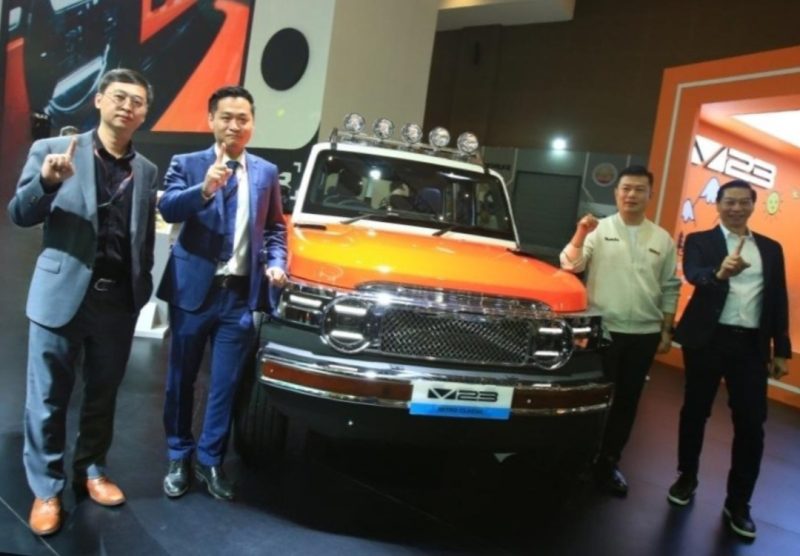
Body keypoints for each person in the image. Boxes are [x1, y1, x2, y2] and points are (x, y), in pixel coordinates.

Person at [7, 68, 157, 536]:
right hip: (61, 295)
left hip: (117, 301)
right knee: (47, 398)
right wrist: (47, 182)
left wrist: (141, 286)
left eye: (137, 101)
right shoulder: (53, 150)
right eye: (119, 97)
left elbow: (142, 237)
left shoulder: (146, 171)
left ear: (144, 114)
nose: (127, 106)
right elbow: (19, 214)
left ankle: (92, 469)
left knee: (102, 394)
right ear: (98, 100)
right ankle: (47, 489)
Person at [157, 85, 287, 501]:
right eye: (226, 117)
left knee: (226, 385)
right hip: (193, 292)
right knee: (181, 380)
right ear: (211, 119)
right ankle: (179, 454)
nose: (234, 125)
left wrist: (277, 261)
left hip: (239, 297)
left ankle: (210, 459)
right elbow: (168, 207)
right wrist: (204, 189)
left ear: (252, 123)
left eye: (242, 118)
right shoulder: (187, 163)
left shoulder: (266, 172)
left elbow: (274, 228)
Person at [668, 179, 791, 541]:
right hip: (707, 340)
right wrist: (720, 273)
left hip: (751, 346)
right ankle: (686, 477)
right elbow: (694, 275)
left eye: (743, 202)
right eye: (729, 202)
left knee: (751, 424)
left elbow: (777, 299)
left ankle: (738, 502)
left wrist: (781, 348)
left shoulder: (771, 249)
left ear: (753, 205)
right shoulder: (700, 241)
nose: (736, 208)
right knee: (695, 411)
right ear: (718, 204)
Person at [560, 165, 680, 496]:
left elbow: (671, 287)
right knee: (593, 399)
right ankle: (579, 460)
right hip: (605, 332)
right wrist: (580, 232)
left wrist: (666, 330)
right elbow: (569, 264)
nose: (631, 195)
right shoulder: (599, 230)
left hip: (644, 335)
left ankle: (608, 463)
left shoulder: (662, 239)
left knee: (627, 402)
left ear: (650, 195)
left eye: (639, 189)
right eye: (626, 188)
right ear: (616, 193)